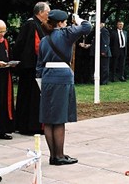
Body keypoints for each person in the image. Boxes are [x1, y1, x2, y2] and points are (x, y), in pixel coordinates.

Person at [36, 10, 91, 165]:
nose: (67, 24)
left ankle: (53, 156)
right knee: (59, 119)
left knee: (48, 120)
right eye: (66, 22)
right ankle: (59, 156)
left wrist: (41, 84)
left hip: (46, 78)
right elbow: (87, 27)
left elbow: (39, 66)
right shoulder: (66, 34)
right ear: (60, 23)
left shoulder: (44, 40)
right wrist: (78, 19)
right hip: (62, 77)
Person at [13, 2, 51, 135]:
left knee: (31, 97)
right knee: (31, 98)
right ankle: (30, 126)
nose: (48, 15)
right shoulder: (31, 24)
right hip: (31, 68)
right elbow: (37, 47)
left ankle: (30, 125)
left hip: (32, 67)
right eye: (47, 12)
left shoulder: (37, 24)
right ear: (40, 12)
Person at [0, 20, 16, 139]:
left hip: (4, 76)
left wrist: (10, 63)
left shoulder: (4, 42)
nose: (2, 34)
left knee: (3, 102)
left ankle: (2, 129)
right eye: (0, 32)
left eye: (4, 31)